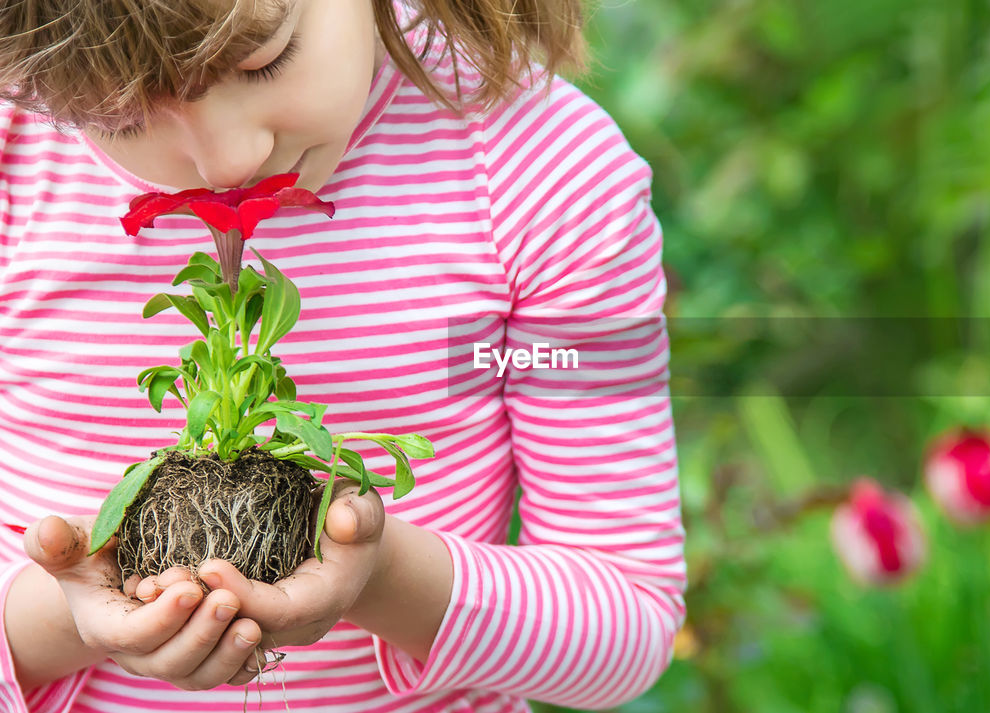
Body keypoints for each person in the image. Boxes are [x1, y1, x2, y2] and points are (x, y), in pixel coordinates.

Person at [0, 0, 685, 710]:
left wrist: (383, 575)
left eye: (263, 58)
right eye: (121, 114)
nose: (228, 158)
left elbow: (627, 626)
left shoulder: (545, 175)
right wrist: (64, 613)